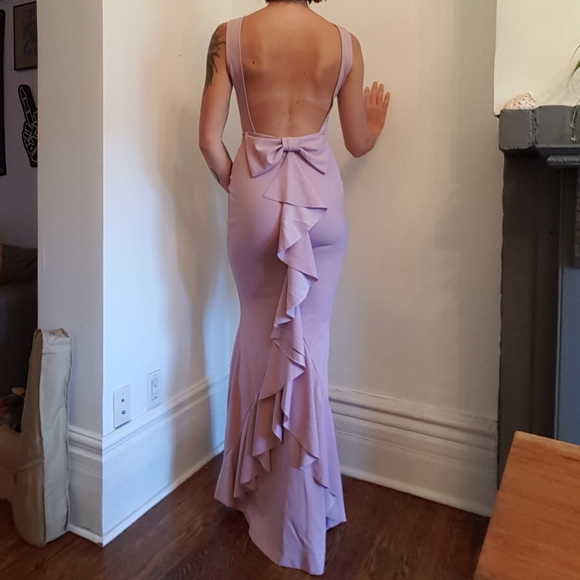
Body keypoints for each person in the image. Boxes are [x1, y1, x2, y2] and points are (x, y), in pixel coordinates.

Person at [199, 0, 389, 575]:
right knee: (310, 351)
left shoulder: (230, 35)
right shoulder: (344, 43)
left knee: (258, 341)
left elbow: (209, 140)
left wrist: (242, 188)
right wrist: (375, 123)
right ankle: (307, 509)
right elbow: (357, 141)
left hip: (254, 195)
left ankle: (254, 490)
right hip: (321, 204)